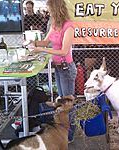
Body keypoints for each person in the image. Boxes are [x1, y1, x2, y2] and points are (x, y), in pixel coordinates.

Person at [29, 0, 77, 143]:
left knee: (67, 104)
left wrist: (41, 49)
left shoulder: (68, 26)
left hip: (66, 68)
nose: (48, 12)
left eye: (49, 9)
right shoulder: (54, 24)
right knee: (61, 103)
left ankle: (70, 135)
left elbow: (63, 51)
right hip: (58, 67)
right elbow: (45, 42)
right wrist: (32, 43)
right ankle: (63, 132)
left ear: (56, 9)